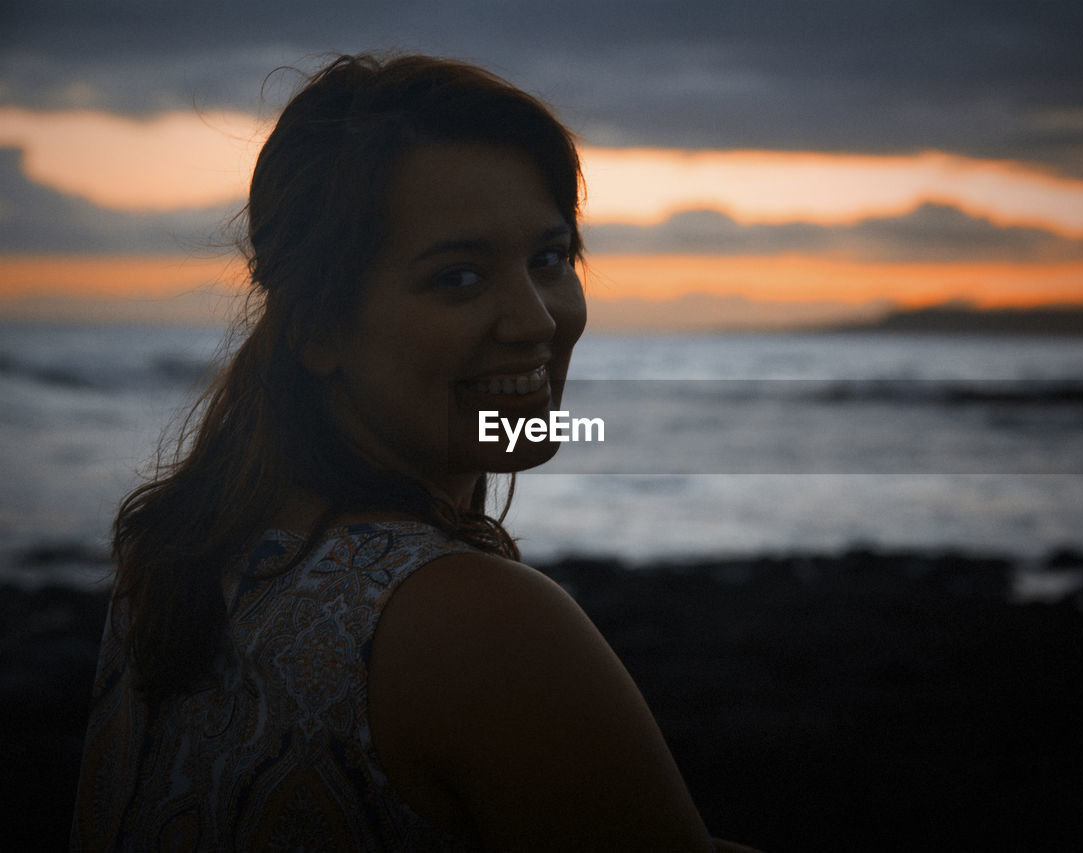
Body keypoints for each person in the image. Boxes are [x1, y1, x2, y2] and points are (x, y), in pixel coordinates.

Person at [72, 53, 763, 852]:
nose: (535, 319)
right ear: (318, 328)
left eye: (549, 258)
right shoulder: (485, 623)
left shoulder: (174, 558)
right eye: (459, 277)